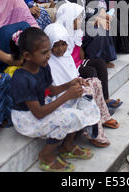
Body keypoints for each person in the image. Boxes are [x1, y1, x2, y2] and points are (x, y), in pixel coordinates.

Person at [10, 27, 100, 172]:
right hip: (26, 118)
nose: (48, 55)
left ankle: (67, 146)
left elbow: (51, 91)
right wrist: (67, 95)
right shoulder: (21, 78)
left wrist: (70, 84)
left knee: (84, 100)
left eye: (48, 51)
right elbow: (38, 113)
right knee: (68, 116)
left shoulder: (43, 67)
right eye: (44, 52)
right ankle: (46, 155)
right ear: (27, 55)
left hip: (42, 106)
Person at [56, 0, 117, 66]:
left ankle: (103, 59)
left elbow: (84, 13)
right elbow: (70, 25)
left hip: (82, 26)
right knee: (97, 31)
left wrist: (97, 18)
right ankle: (93, 62)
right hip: (72, 32)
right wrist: (92, 22)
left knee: (104, 25)